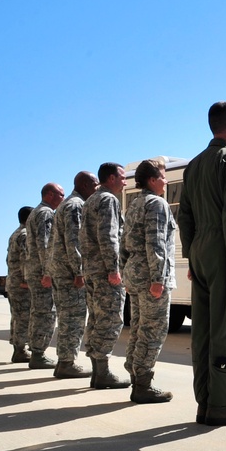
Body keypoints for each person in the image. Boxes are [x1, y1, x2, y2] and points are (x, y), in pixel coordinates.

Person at [177, 102, 226, 426]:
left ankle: (205, 402)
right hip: (223, 250)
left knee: (204, 330)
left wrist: (191, 255)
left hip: (199, 250)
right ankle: (222, 405)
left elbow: (184, 216)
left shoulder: (193, 166)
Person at [122, 159, 176, 403]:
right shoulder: (156, 203)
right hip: (149, 276)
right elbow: (156, 242)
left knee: (139, 326)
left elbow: (123, 243)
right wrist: (158, 278)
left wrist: (126, 272)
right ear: (152, 180)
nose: (166, 181)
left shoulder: (135, 204)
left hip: (135, 273)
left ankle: (135, 372)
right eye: (163, 176)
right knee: (153, 330)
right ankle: (143, 384)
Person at [80, 162, 130, 390]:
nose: (125, 181)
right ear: (110, 178)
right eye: (121, 177)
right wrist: (114, 269)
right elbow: (108, 236)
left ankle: (98, 370)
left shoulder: (91, 200)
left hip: (91, 269)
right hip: (103, 271)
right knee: (110, 319)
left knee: (97, 318)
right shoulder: (108, 200)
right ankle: (102, 373)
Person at [48, 171, 99, 379]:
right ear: (85, 185)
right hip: (69, 274)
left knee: (68, 317)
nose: (97, 189)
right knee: (73, 318)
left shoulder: (66, 205)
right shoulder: (76, 206)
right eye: (95, 185)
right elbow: (74, 241)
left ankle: (65, 361)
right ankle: (66, 362)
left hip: (61, 271)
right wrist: (79, 272)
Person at [24, 182, 65, 368]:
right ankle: (38, 354)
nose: (62, 199)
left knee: (38, 312)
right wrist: (48, 272)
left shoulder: (36, 213)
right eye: (60, 195)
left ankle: (36, 352)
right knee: (46, 313)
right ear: (49, 195)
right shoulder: (46, 213)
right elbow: (45, 244)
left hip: (34, 269)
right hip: (42, 272)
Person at [5, 206, 33, 363]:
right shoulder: (24, 235)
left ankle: (18, 348)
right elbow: (25, 259)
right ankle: (20, 350)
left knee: (17, 317)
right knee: (23, 317)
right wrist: (26, 280)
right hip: (21, 284)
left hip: (13, 281)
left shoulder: (15, 234)